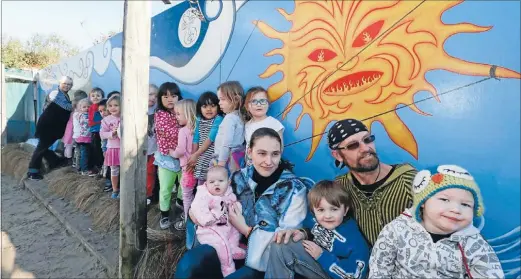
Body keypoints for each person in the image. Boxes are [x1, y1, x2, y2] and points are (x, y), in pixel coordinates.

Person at [175, 127, 313, 279]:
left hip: (263, 260)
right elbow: (207, 197)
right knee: (189, 265)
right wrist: (195, 212)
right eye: (262, 153)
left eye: (275, 154)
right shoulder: (238, 177)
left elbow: (284, 240)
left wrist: (247, 230)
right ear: (249, 152)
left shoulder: (294, 189)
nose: (269, 161)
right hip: (228, 244)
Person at [369, 165, 504, 278]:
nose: (456, 209)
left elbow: (490, 273)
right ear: (422, 202)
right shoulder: (397, 230)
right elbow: (379, 269)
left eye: (466, 205)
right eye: (444, 200)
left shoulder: (473, 242)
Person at [328, 118, 417, 246]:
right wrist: (304, 233)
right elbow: (323, 217)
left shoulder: (409, 180)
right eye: (353, 145)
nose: (365, 148)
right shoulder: (340, 187)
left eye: (367, 139)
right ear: (338, 156)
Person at [265, 180, 370, 279]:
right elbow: (312, 230)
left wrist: (322, 256)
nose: (327, 216)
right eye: (321, 210)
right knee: (281, 242)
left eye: (334, 209)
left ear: (345, 210)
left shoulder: (355, 241)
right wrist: (304, 233)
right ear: (313, 210)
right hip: (316, 265)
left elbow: (355, 276)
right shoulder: (313, 218)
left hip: (334, 273)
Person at [191, 166, 246, 276]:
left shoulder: (229, 193)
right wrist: (210, 218)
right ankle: (228, 269)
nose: (216, 184)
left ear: (228, 182)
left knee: (234, 233)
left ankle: (232, 248)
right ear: (206, 183)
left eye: (220, 181)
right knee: (221, 244)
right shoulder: (204, 195)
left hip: (226, 227)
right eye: (212, 182)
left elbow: (235, 205)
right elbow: (198, 208)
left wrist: (236, 208)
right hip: (210, 230)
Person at [27, 76, 73, 180]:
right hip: (48, 127)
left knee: (43, 147)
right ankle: (32, 171)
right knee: (41, 148)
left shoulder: (65, 95)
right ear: (59, 83)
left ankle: (55, 161)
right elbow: (64, 106)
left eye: (69, 84)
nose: (67, 86)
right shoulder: (55, 93)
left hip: (53, 127)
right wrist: (75, 105)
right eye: (64, 83)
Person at [154, 82, 183, 229]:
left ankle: (179, 203)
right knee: (165, 188)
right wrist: (186, 131)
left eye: (173, 95)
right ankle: (164, 215)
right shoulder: (160, 114)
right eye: (165, 96)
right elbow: (171, 133)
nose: (170, 99)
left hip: (183, 156)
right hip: (167, 158)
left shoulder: (182, 112)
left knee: (184, 185)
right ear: (160, 99)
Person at [170, 99, 197, 230]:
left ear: (188, 113)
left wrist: (172, 153)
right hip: (202, 168)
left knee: (187, 195)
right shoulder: (199, 128)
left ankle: (188, 220)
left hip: (188, 169)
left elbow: (180, 150)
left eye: (178, 114)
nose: (176, 117)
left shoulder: (183, 131)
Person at [188, 91, 224, 185]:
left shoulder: (218, 119)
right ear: (200, 108)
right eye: (205, 106)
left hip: (211, 157)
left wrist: (196, 154)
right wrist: (193, 156)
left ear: (218, 107)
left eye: (212, 106)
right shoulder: (199, 119)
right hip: (200, 156)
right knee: (200, 183)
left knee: (212, 181)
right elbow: (196, 139)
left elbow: (210, 138)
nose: (209, 109)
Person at [243, 86, 284, 167]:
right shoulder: (247, 125)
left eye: (262, 101)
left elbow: (280, 147)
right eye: (254, 101)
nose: (259, 104)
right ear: (247, 107)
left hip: (268, 165)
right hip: (250, 166)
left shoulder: (273, 123)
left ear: (268, 104)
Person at [213, 81, 246, 174]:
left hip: (226, 160)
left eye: (222, 99)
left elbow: (227, 143)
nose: (219, 103)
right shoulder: (239, 117)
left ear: (235, 99)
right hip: (235, 158)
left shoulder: (230, 118)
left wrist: (221, 163)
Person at [100, 95, 121, 199]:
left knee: (125, 170)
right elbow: (102, 134)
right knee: (114, 170)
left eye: (116, 105)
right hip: (112, 148)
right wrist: (112, 133)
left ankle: (123, 189)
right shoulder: (106, 120)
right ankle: (115, 189)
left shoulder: (125, 118)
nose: (113, 108)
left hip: (124, 149)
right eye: (110, 105)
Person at [87, 87, 105, 176]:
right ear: (90, 97)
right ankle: (95, 167)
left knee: (100, 150)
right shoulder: (90, 108)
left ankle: (100, 166)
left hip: (101, 131)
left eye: (98, 95)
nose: (95, 97)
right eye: (93, 96)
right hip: (94, 131)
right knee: (94, 150)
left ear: (102, 97)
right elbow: (90, 120)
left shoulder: (101, 107)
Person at [72, 98, 92, 175]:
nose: (87, 108)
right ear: (80, 107)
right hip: (83, 138)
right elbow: (86, 122)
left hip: (77, 137)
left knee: (78, 153)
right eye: (84, 107)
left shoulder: (76, 114)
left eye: (88, 107)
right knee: (84, 154)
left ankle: (78, 168)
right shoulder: (82, 115)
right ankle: (84, 170)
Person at [146, 84, 159, 205]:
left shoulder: (157, 110)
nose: (153, 97)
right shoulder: (137, 109)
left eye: (156, 95)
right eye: (150, 94)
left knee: (150, 172)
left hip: (153, 149)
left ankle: (149, 194)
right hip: (139, 149)